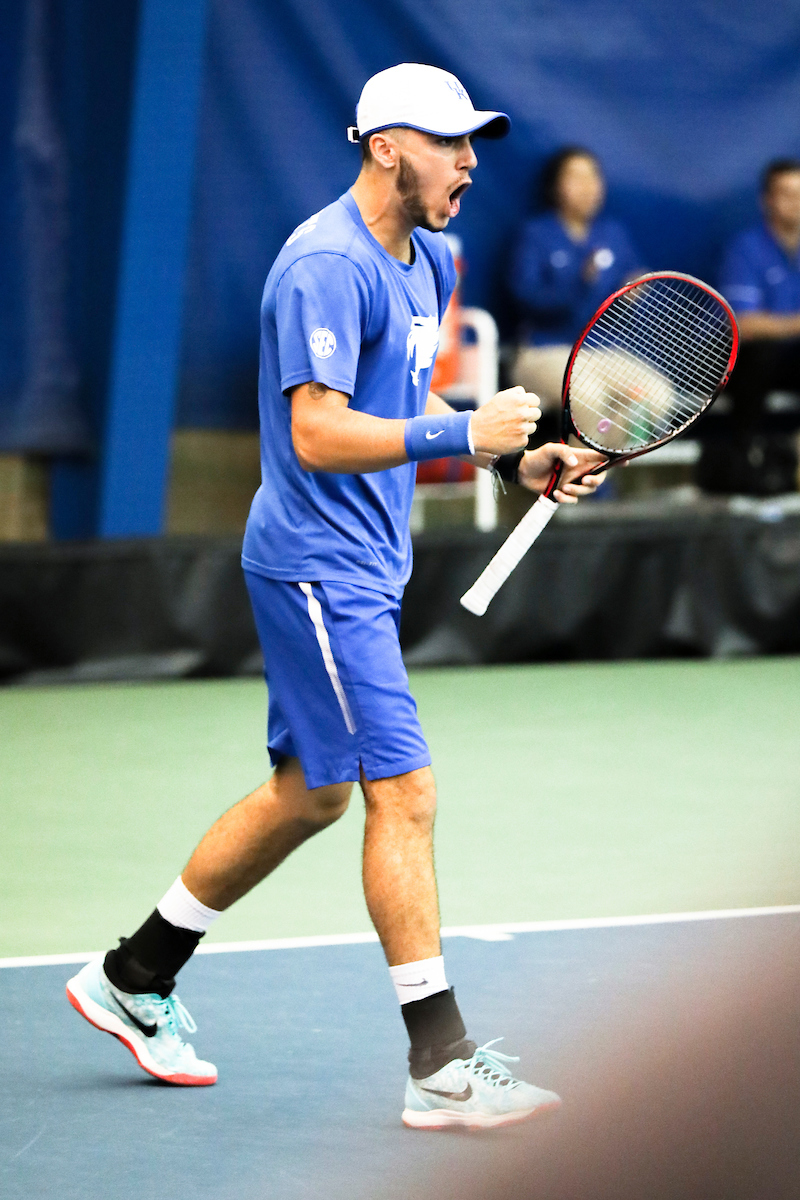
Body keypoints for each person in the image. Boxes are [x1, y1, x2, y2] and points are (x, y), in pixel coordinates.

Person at [66, 64, 606, 1130]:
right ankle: (440, 1067)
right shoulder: (320, 262)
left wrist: (514, 461)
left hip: (364, 563)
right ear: (383, 147)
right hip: (317, 567)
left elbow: (398, 397)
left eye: (473, 143)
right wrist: (460, 434)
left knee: (311, 791)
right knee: (401, 795)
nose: (470, 163)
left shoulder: (430, 258)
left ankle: (134, 974)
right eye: (450, 143)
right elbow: (315, 431)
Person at [508, 146, 643, 415]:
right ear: (554, 186)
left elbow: (633, 285)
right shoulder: (535, 234)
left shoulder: (614, 234)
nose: (587, 186)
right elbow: (524, 297)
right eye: (576, 177)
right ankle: (580, 458)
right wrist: (579, 284)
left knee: (653, 397)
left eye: (593, 176)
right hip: (545, 350)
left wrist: (633, 291)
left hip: (606, 350)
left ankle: (613, 458)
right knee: (588, 399)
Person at [701, 158, 800, 494]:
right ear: (767, 201)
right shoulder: (746, 248)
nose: (796, 202)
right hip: (743, 366)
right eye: (787, 194)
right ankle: (745, 457)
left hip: (793, 360)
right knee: (759, 354)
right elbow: (745, 323)